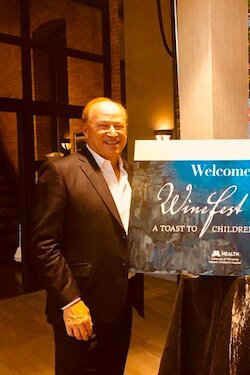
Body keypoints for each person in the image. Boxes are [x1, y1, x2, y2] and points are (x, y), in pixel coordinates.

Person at [31, 97, 144, 374]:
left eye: (119, 126)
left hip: (121, 302)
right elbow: (44, 244)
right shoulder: (61, 172)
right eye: (103, 125)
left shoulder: (134, 174)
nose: (113, 133)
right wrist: (70, 302)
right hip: (81, 305)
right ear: (86, 129)